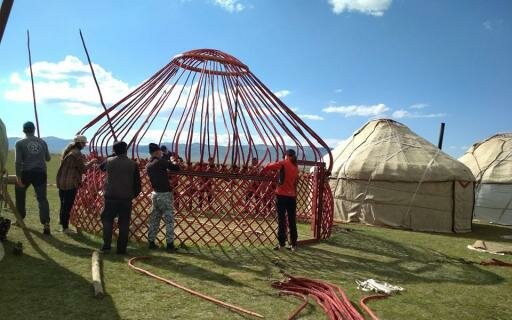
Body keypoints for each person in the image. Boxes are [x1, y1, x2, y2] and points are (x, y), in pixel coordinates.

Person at [99, 141, 141, 254]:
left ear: (114, 150)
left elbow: (101, 167)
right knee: (124, 223)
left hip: (110, 197)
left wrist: (112, 155)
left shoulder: (109, 161)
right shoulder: (133, 164)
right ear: (126, 150)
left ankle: (106, 246)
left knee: (107, 220)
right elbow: (138, 184)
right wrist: (132, 195)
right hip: (126, 198)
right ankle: (121, 249)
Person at [14, 121, 51, 235]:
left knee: (20, 195)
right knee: (42, 199)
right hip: (40, 173)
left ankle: (20, 219)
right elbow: (48, 158)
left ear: (24, 130)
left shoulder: (19, 143)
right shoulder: (42, 142)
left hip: (26, 173)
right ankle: (46, 224)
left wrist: (18, 177)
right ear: (34, 129)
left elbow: (17, 162)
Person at [56, 135, 96, 234]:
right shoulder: (76, 153)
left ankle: (62, 222)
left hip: (62, 181)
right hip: (70, 183)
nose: (84, 145)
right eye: (83, 143)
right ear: (79, 143)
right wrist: (92, 162)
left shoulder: (69, 151)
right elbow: (83, 169)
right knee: (67, 205)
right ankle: (65, 228)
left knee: (63, 203)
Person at [262, 149, 299, 252]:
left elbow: (270, 166)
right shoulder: (296, 167)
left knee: (281, 220)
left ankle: (282, 244)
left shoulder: (284, 163)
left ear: (286, 155)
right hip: (292, 196)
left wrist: (263, 169)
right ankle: (294, 245)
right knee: (292, 221)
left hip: (282, 195)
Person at [146, 143, 180, 252]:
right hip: (164, 194)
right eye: (160, 151)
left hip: (155, 194)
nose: (161, 153)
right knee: (169, 220)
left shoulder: (148, 165)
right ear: (157, 152)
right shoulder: (160, 162)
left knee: (155, 219)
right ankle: (170, 244)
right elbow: (176, 168)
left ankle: (151, 242)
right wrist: (172, 159)